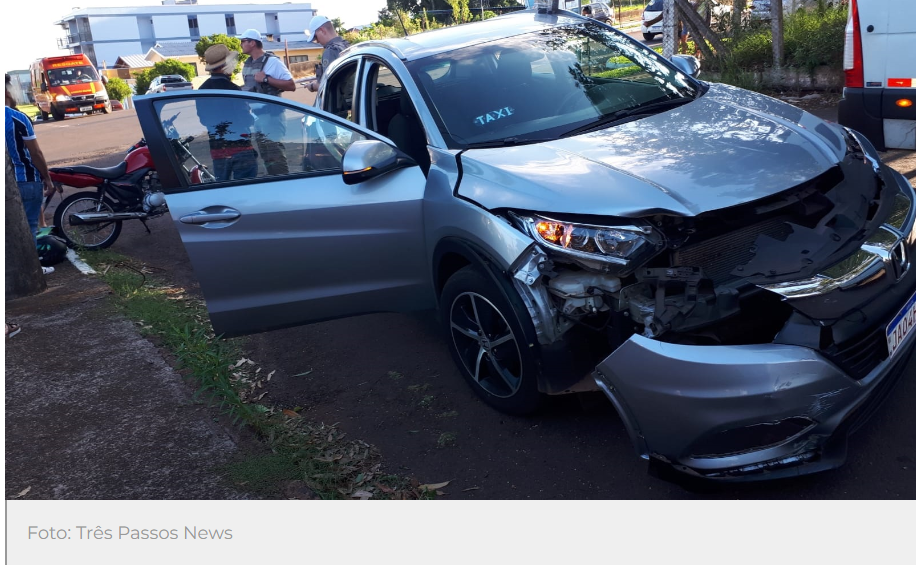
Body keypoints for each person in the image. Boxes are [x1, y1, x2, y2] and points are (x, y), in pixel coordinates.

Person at [5, 74, 57, 275]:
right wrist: (47, 178)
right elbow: (35, 152)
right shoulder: (17, 118)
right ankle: (32, 269)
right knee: (29, 227)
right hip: (26, 179)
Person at [196, 44, 257, 181]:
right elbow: (246, 119)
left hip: (217, 149)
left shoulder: (201, 90)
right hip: (240, 147)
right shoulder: (233, 89)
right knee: (246, 189)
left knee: (223, 189)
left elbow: (203, 120)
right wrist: (252, 116)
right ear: (225, 65)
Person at [239, 28, 295, 175]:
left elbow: (291, 85)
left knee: (275, 156)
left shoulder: (272, 62)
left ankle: (284, 187)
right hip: (257, 117)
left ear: (252, 43)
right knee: (267, 156)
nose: (241, 44)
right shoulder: (249, 63)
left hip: (272, 116)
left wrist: (266, 79)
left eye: (243, 41)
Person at [303, 16, 350, 93]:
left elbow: (329, 86)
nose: (317, 41)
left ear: (322, 30)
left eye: (315, 37)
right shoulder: (347, 46)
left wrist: (312, 86)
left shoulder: (330, 51)